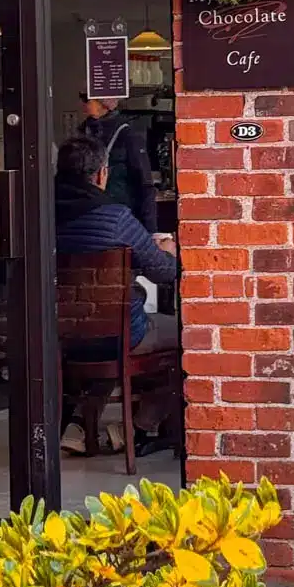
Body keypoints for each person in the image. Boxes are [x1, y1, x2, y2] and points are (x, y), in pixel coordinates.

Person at [55, 135, 178, 452]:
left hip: (61, 334)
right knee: (187, 337)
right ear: (100, 174)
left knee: (104, 321)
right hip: (119, 333)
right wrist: (165, 250)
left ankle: (80, 424)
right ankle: (135, 427)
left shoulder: (38, 217)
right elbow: (163, 273)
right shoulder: (116, 218)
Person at [79, 95, 157, 231]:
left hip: (121, 218)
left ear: (104, 104)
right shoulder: (84, 132)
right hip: (93, 217)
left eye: (87, 99)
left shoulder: (127, 134)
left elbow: (145, 185)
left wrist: (151, 231)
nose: (82, 104)